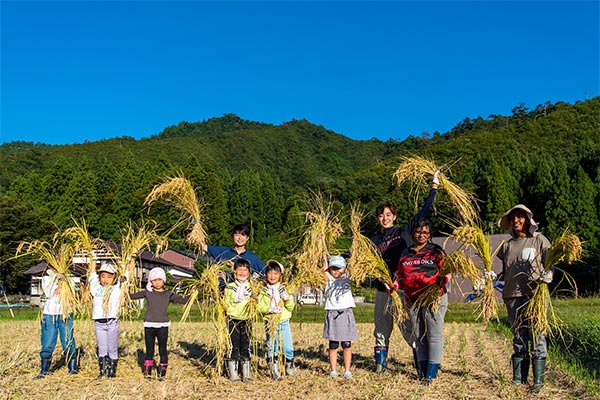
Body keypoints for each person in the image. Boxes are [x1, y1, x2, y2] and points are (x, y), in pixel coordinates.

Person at [370, 171, 439, 373]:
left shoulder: (403, 232)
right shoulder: (373, 241)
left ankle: (421, 364)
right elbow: (362, 261)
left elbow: (423, 213)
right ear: (378, 218)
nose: (385, 218)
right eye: (381, 215)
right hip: (383, 289)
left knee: (409, 328)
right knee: (381, 328)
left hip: (401, 289)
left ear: (394, 216)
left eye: (388, 215)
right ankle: (380, 367)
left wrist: (434, 188)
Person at [496, 204, 552, 392]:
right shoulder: (507, 245)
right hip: (512, 294)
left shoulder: (539, 240)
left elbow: (550, 264)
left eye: (520, 217)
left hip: (534, 294)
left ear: (528, 220)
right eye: (513, 218)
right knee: (519, 336)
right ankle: (518, 378)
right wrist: (495, 276)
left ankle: (538, 382)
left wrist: (548, 275)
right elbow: (506, 270)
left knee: (537, 334)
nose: (516, 220)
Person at [395, 219, 448, 385]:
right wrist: (395, 285)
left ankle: (431, 374)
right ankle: (422, 371)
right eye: (418, 232)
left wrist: (443, 280)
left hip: (434, 298)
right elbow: (400, 276)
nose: (421, 235)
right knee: (419, 335)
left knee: (433, 335)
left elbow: (446, 271)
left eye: (425, 232)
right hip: (413, 298)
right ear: (413, 234)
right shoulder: (405, 253)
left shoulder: (436, 251)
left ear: (429, 235)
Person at [129, 267, 189, 379]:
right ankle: (148, 371)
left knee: (162, 348)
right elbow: (131, 296)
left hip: (163, 325)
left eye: (159, 280)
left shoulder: (168, 294)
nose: (157, 282)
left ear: (164, 281)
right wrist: (124, 289)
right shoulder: (147, 292)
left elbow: (183, 300)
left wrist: (194, 293)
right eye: (154, 280)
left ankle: (162, 371)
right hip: (149, 325)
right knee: (149, 349)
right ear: (150, 281)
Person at [35, 263, 78, 378]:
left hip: (65, 313)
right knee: (48, 341)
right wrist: (57, 279)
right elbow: (49, 293)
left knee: (67, 339)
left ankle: (72, 368)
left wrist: (64, 281)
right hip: (49, 313)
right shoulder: (46, 278)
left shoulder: (70, 279)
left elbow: (71, 295)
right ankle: (44, 370)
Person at [257, 259, 295, 380]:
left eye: (276, 273)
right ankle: (274, 369)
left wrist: (287, 298)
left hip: (283, 322)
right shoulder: (263, 291)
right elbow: (260, 307)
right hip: (270, 323)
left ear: (281, 276)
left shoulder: (284, 289)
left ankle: (289, 363)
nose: (272, 276)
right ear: (266, 275)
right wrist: (270, 309)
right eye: (270, 273)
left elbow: (290, 307)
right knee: (272, 346)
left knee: (287, 346)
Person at [322, 255, 358, 380]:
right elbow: (321, 268)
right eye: (333, 268)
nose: (336, 271)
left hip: (345, 312)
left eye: (339, 268)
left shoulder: (347, 277)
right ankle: (333, 370)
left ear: (345, 268)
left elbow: (355, 265)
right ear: (329, 269)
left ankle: (347, 370)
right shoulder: (327, 279)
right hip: (332, 313)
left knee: (347, 344)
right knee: (333, 344)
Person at [89, 263, 124, 378]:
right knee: (102, 348)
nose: (105, 279)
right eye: (103, 276)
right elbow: (92, 275)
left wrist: (129, 260)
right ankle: (103, 371)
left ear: (114, 278)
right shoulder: (96, 288)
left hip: (111, 322)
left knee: (112, 348)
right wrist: (92, 260)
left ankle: (112, 372)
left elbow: (125, 276)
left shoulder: (117, 288)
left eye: (109, 277)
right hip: (99, 323)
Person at [223, 258, 255, 382]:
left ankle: (246, 372)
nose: (242, 273)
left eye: (245, 270)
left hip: (247, 320)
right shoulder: (230, 288)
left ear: (249, 273)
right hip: (232, 319)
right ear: (234, 272)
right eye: (239, 270)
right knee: (233, 346)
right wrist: (231, 311)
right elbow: (226, 303)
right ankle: (233, 372)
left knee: (246, 345)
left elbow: (255, 304)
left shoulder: (252, 288)